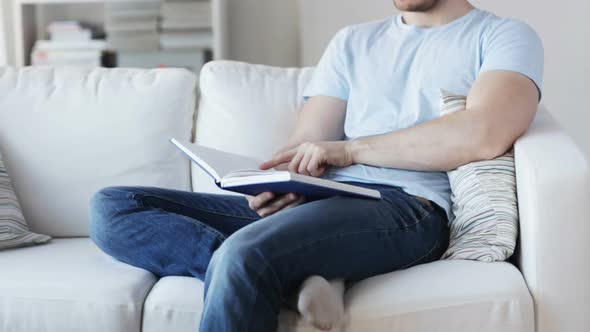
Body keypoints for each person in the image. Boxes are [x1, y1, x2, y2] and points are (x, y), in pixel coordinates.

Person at [88, 0, 544, 331]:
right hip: (322, 200)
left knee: (245, 254)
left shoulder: (503, 34)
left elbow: (484, 132)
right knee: (115, 207)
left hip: (408, 208)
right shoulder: (353, 41)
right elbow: (307, 142)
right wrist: (285, 181)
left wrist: (349, 150)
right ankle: (284, 281)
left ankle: (261, 270)